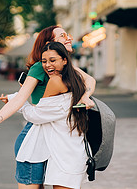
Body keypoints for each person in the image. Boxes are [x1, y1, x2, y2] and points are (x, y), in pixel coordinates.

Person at [0, 26, 96, 189]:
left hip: (56, 136)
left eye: (67, 35)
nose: (68, 38)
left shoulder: (67, 68)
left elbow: (90, 80)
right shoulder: (42, 67)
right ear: (50, 43)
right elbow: (21, 98)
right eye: (63, 36)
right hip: (36, 133)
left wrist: (85, 96)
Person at [9, 42, 88, 189]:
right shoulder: (77, 79)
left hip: (63, 155)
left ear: (65, 60)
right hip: (74, 149)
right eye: (44, 61)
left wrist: (15, 99)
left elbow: (37, 114)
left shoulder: (56, 81)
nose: (47, 65)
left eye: (53, 60)